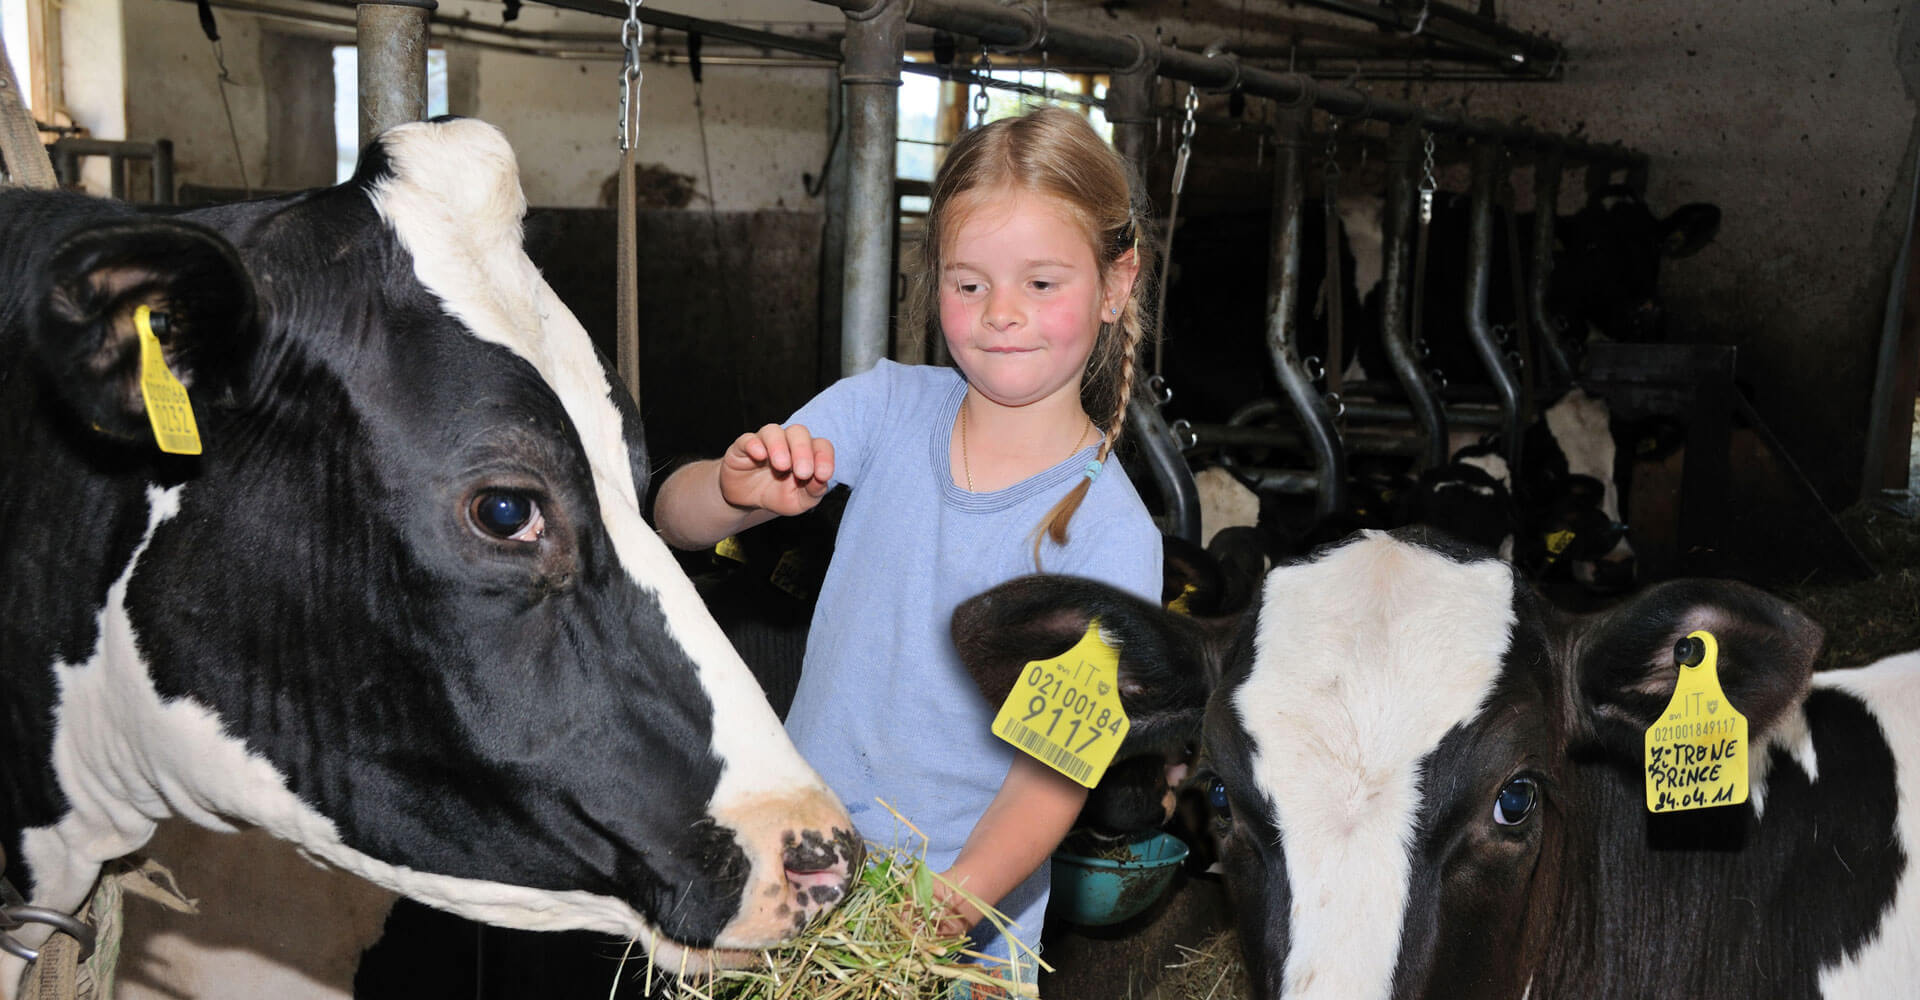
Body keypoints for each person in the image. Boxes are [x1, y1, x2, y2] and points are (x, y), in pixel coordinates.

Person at [653, 106, 1161, 990]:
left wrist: (944, 907)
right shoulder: (883, 409)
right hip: (792, 890)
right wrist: (735, 492)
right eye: (969, 285)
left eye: (1042, 284)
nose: (1002, 314)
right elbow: (672, 522)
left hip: (955, 943)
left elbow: (1051, 779)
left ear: (1117, 283)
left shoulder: (1111, 539)